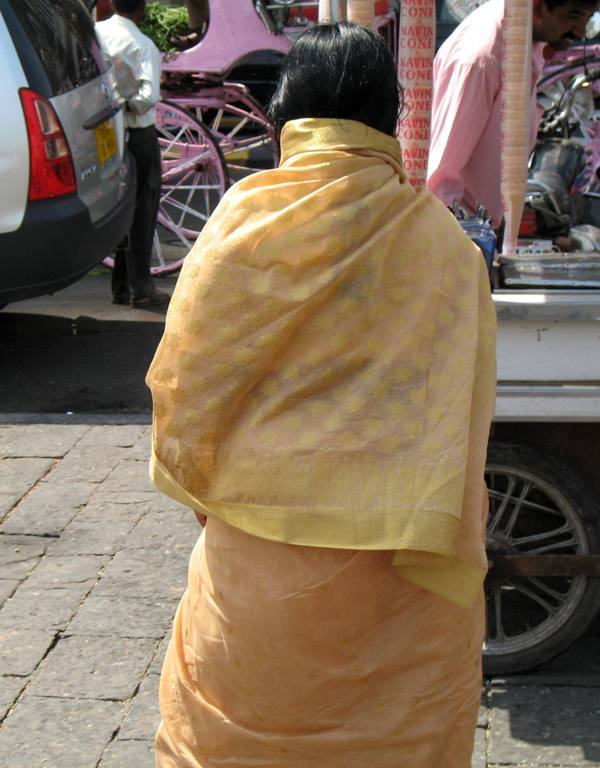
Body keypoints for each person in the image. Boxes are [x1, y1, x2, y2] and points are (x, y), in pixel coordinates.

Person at [147, 22, 496, 768]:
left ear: (284, 115)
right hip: (405, 573)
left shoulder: (244, 220)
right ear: (388, 120)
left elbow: (186, 381)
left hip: (258, 561)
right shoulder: (445, 245)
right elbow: (464, 416)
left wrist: (214, 495)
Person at [427, 0, 599, 229]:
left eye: (588, 19)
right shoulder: (481, 58)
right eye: (574, 17)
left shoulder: (526, 41)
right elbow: (440, 178)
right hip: (458, 233)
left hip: (480, 229)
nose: (580, 31)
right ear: (538, 8)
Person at [96, 0, 169, 308]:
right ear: (143, 9)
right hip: (138, 133)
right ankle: (141, 287)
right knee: (142, 211)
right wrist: (127, 103)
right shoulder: (142, 45)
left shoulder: (97, 33)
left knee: (122, 206)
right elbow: (148, 96)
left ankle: (122, 285)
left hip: (106, 133)